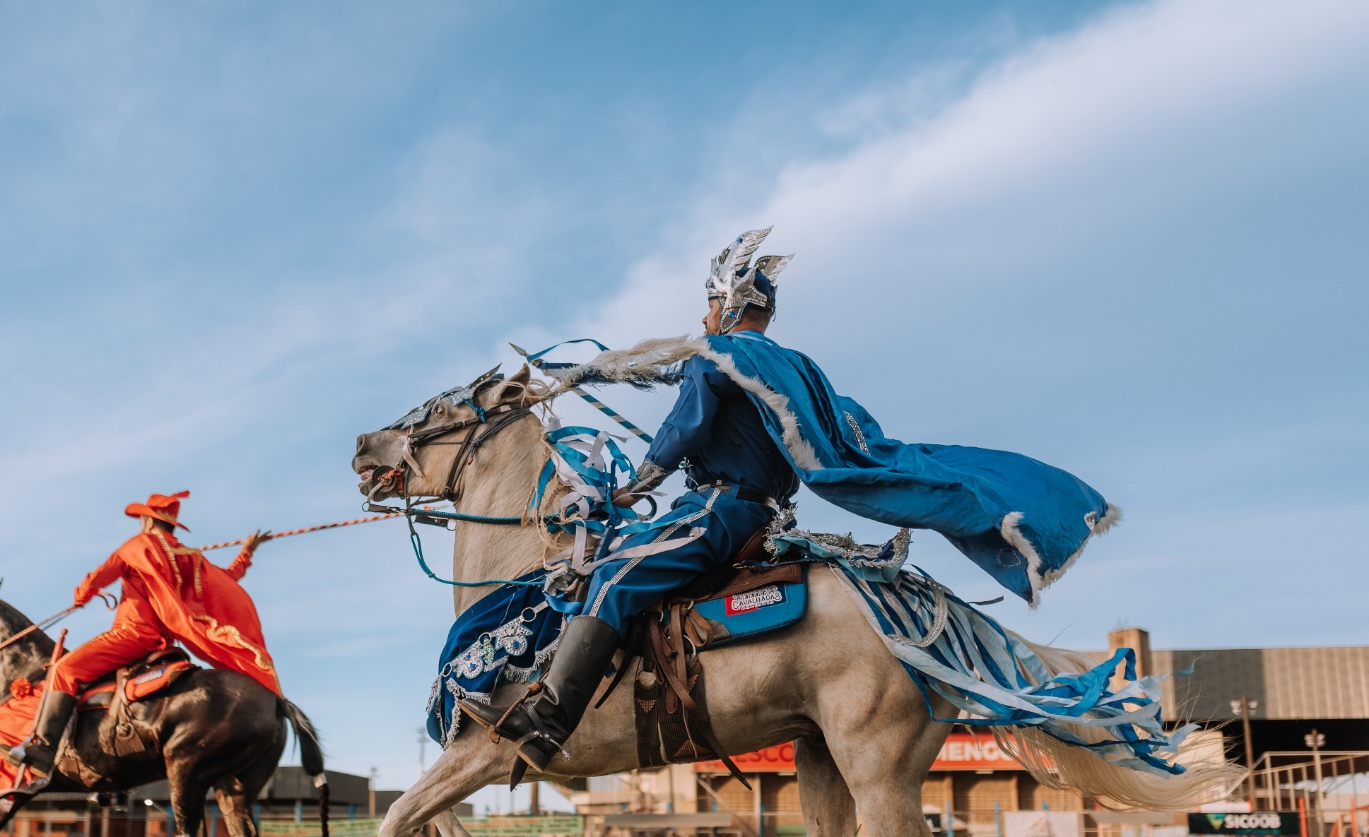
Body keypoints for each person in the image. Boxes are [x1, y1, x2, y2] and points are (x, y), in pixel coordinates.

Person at [464, 226, 1115, 786]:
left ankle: (550, 718)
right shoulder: (791, 365)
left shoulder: (716, 353)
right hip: (763, 515)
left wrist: (638, 482)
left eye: (708, 305)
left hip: (718, 512)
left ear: (724, 302)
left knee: (612, 572)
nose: (701, 319)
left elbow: (684, 429)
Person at [3, 491, 278, 777]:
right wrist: (247, 552)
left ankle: (43, 750)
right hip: (162, 641)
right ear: (171, 526)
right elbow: (226, 578)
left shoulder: (137, 546)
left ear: (147, 521)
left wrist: (82, 595)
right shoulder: (187, 557)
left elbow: (99, 576)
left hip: (131, 635)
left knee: (63, 669)